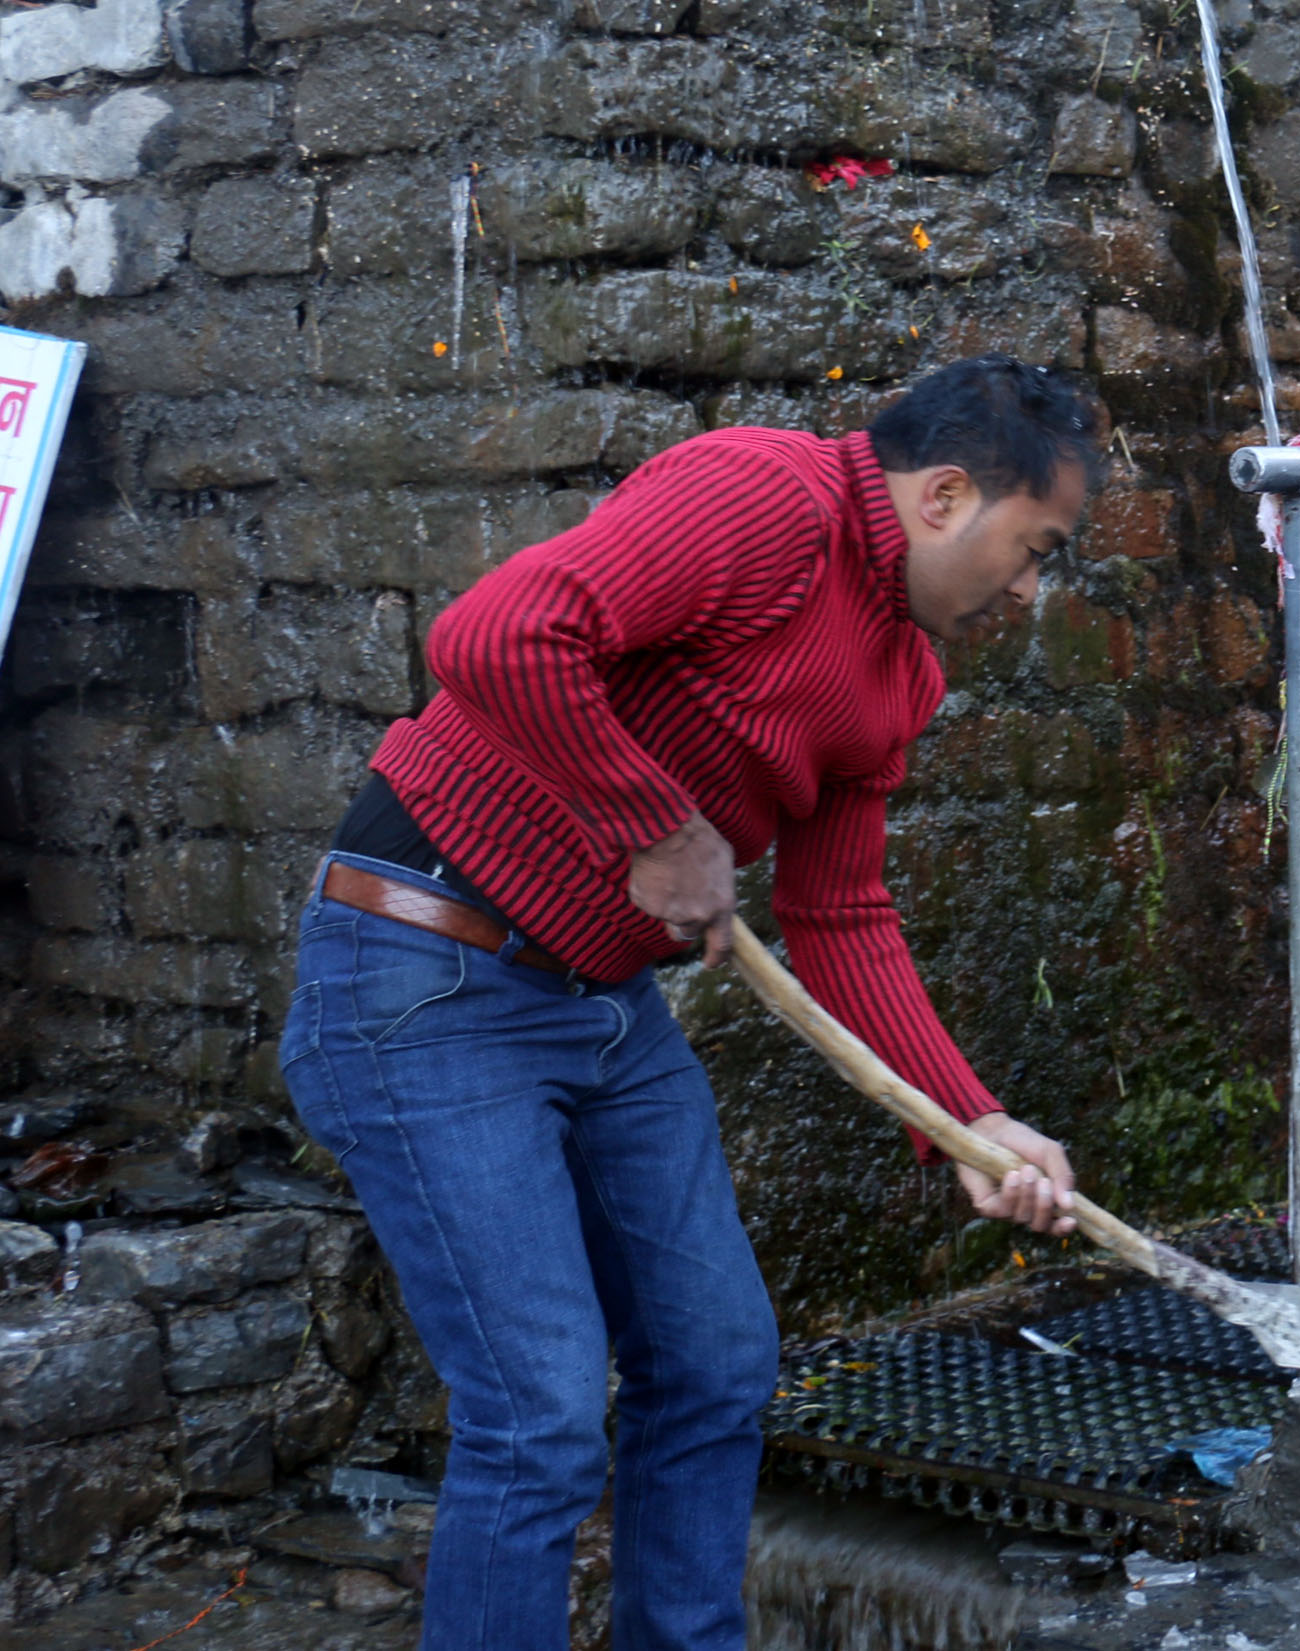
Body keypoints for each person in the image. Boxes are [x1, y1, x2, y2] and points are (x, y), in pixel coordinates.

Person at [279, 357, 1099, 1651]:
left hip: (602, 1004)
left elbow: (843, 918)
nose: (1029, 586)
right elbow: (494, 633)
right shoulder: (758, 495)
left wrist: (970, 1121)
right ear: (947, 493)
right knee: (540, 1414)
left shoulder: (902, 674)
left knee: (716, 1363)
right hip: (422, 971)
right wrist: (656, 822)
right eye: (1033, 544)